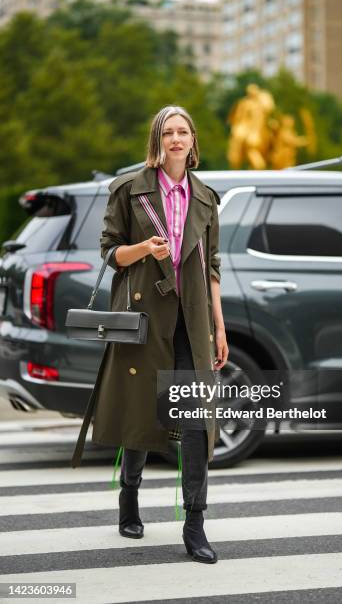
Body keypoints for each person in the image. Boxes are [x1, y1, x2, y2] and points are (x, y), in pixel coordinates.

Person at [72, 105, 228, 564]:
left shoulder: (205, 198)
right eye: (167, 132)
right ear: (156, 141)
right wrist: (145, 248)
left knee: (197, 422)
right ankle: (130, 494)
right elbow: (108, 254)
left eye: (183, 132)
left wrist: (220, 326)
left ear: (193, 141)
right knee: (145, 414)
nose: (176, 139)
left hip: (192, 323)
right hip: (143, 320)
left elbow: (211, 267)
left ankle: (195, 523)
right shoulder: (129, 189)